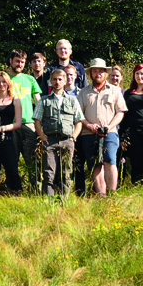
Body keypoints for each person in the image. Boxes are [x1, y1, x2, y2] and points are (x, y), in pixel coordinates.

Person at [77, 58, 128, 196]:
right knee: (95, 164)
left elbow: (120, 112)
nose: (98, 73)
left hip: (110, 133)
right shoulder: (83, 93)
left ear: (106, 73)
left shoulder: (115, 91)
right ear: (90, 74)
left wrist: (110, 125)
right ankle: (101, 195)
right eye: (95, 71)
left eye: (101, 71)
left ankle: (111, 194)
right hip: (89, 134)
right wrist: (89, 125)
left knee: (110, 161)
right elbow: (79, 115)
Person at [34, 69, 85, 198]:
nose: (57, 82)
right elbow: (37, 120)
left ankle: (64, 199)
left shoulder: (72, 100)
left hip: (67, 140)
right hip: (49, 141)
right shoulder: (44, 100)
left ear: (65, 81)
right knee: (48, 172)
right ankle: (49, 200)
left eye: (60, 79)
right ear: (51, 81)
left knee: (66, 172)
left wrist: (73, 137)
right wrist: (42, 136)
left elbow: (79, 121)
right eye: (55, 79)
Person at [7, 49, 42, 192]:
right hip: (10, 124)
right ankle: (14, 190)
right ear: (11, 61)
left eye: (22, 62)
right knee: (11, 160)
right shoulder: (4, 79)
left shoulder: (30, 79)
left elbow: (38, 102)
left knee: (32, 160)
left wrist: (39, 123)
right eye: (17, 61)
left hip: (29, 123)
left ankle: (37, 190)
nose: (20, 64)